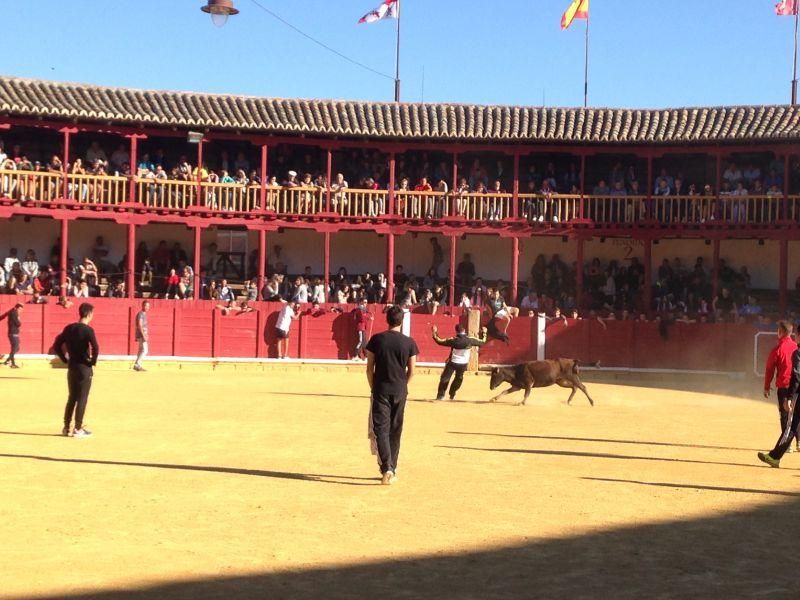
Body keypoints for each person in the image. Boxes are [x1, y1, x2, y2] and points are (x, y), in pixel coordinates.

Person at [366, 305, 418, 485]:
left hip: (381, 389)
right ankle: (392, 468)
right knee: (395, 430)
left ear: (387, 319)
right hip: (400, 391)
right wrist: (403, 386)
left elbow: (369, 368)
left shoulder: (376, 340)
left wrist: (374, 387)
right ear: (402, 321)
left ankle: (387, 467)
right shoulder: (409, 342)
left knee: (381, 429)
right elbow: (412, 370)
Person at [53, 303, 99, 438]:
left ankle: (67, 427)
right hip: (84, 368)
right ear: (89, 314)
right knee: (82, 398)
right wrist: (92, 362)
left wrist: (64, 359)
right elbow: (96, 348)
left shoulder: (69, 328)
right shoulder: (88, 330)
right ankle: (78, 428)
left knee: (72, 397)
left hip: (72, 366)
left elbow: (57, 345)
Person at [759, 333, 800, 467]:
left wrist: (789, 396)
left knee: (790, 425)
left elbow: (796, 377)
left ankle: (775, 457)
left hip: (796, 394)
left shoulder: (797, 353)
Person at [432, 324, 487, 401]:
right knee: (459, 378)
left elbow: (439, 341)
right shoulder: (470, 340)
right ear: (464, 330)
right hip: (463, 364)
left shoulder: (454, 340)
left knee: (445, 379)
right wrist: (484, 333)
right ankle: (452, 394)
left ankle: (440, 396)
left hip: (452, 363)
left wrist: (434, 332)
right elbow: (482, 342)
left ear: (456, 331)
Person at [2, 303, 23, 368]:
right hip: (13, 333)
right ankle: (10, 362)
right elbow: (18, 324)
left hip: (13, 333)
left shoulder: (11, 312)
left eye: (21, 310)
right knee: (15, 348)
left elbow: (4, 315)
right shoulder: (14, 313)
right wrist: (19, 318)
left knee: (16, 348)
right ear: (16, 308)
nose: (20, 311)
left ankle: (9, 361)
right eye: (19, 309)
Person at [133, 300, 150, 372]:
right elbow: (140, 325)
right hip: (141, 334)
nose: (147, 307)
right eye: (146, 306)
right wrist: (144, 335)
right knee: (145, 350)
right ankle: (137, 364)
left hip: (141, 334)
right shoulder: (141, 314)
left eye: (148, 306)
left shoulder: (143, 314)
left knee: (140, 350)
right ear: (142, 306)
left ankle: (137, 365)